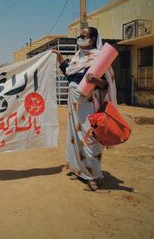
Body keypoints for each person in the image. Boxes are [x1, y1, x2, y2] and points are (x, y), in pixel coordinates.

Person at [52, 27, 117, 191]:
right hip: (73, 106)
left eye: (85, 36)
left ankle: (96, 177)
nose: (81, 38)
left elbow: (106, 84)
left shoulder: (99, 58)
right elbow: (70, 75)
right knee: (74, 137)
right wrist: (60, 58)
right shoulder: (77, 57)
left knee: (89, 139)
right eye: (79, 36)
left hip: (89, 105)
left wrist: (96, 80)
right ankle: (80, 170)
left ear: (93, 39)